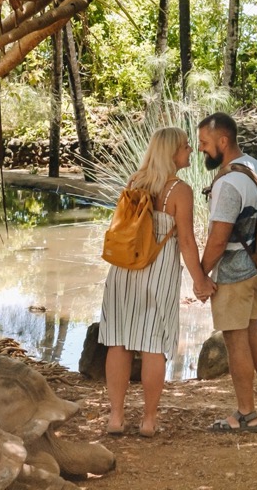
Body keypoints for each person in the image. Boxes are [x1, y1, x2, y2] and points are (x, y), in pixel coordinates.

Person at [98, 126, 215, 437]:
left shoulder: (135, 181)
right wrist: (200, 280)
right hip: (157, 270)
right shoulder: (180, 191)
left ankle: (116, 417)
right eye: (186, 146)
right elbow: (187, 243)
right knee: (152, 345)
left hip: (124, 268)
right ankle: (148, 421)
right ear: (172, 152)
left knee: (119, 341)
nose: (191, 150)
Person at [197, 112, 257, 432]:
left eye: (205, 144)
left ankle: (246, 413)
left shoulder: (226, 184)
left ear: (223, 141)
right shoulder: (253, 166)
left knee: (236, 342)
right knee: (252, 330)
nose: (200, 150)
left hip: (236, 273)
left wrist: (199, 275)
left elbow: (218, 239)